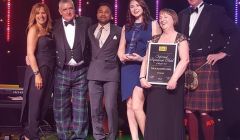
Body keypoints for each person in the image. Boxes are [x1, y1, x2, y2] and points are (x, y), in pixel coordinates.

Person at [178, 0, 238, 140]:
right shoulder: (182, 14)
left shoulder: (216, 11)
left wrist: (223, 53)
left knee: (205, 111)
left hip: (205, 63)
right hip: (186, 63)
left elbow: (234, 32)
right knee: (188, 109)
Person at [140, 8, 189, 140]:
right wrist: (142, 77)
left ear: (174, 19)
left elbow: (185, 60)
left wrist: (173, 79)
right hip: (155, 86)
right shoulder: (154, 39)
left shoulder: (180, 38)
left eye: (165, 17)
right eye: (160, 17)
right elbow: (146, 58)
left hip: (173, 85)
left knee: (171, 117)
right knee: (155, 117)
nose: (162, 19)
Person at [117, 0, 161, 139]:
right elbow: (120, 49)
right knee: (129, 106)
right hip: (127, 68)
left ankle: (149, 137)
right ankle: (135, 138)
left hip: (142, 67)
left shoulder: (153, 24)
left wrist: (141, 59)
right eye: (132, 6)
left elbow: (157, 50)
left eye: (137, 5)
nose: (135, 8)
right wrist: (122, 56)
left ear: (143, 6)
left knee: (137, 106)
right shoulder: (126, 27)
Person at [52, 0, 92, 139]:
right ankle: (64, 136)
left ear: (75, 9)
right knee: (60, 107)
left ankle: (79, 137)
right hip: (61, 70)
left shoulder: (86, 22)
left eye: (71, 8)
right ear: (60, 11)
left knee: (80, 106)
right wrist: (29, 53)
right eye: (65, 9)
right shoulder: (53, 25)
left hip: (81, 70)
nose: (68, 11)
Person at [20, 3, 55, 140]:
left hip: (49, 72)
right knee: (34, 106)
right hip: (38, 72)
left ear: (47, 14)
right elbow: (30, 53)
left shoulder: (49, 30)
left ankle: (29, 135)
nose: (41, 15)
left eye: (43, 12)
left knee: (43, 105)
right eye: (38, 13)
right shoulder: (34, 29)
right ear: (34, 15)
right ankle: (32, 136)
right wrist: (37, 74)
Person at [87, 2, 121, 140]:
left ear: (112, 15)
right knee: (95, 108)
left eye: (106, 11)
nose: (103, 13)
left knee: (111, 107)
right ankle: (98, 136)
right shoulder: (90, 29)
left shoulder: (119, 30)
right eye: (100, 11)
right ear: (96, 14)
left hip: (111, 73)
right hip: (94, 72)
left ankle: (112, 136)